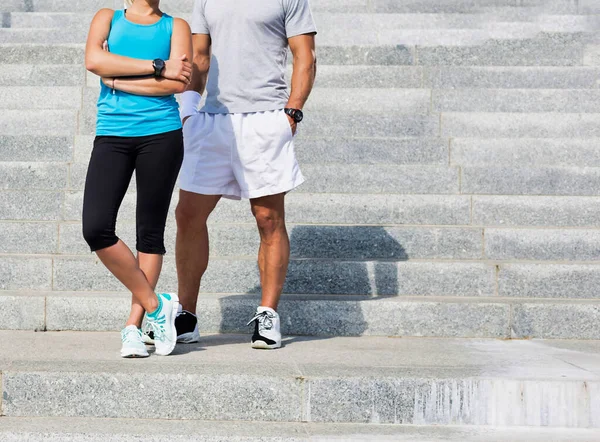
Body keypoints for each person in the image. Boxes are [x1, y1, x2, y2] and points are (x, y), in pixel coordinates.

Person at [173, 0, 317, 349]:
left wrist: (292, 113)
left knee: (268, 217)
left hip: (266, 116)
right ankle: (186, 315)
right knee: (188, 213)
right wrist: (189, 110)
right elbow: (200, 57)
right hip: (213, 120)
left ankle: (267, 314)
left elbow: (306, 55)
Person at [82, 0, 192, 358]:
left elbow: (178, 85)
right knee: (95, 227)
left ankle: (134, 325)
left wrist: (118, 79)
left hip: (162, 134)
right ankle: (158, 306)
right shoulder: (107, 18)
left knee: (150, 232)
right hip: (112, 132)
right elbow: (94, 61)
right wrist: (158, 66)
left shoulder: (177, 27)